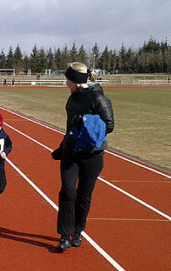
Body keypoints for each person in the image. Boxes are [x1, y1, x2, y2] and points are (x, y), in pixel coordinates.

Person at [51, 62, 114, 251]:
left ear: (76, 81)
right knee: (67, 192)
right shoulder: (71, 99)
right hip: (71, 153)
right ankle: (65, 235)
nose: (65, 84)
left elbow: (109, 125)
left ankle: (77, 231)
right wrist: (62, 147)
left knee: (84, 196)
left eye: (68, 80)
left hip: (92, 156)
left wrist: (86, 122)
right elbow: (71, 128)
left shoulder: (99, 99)